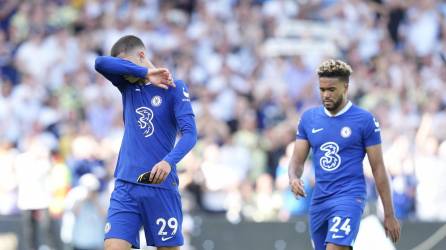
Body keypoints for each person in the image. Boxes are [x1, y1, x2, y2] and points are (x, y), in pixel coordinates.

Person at [94, 35, 197, 250]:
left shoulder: (175, 88)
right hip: (126, 184)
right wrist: (144, 72)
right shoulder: (127, 85)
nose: (124, 71)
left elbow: (190, 135)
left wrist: (169, 162)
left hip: (160, 185)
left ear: (141, 55)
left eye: (127, 64)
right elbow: (100, 63)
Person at [288, 59, 400, 250]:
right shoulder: (309, 119)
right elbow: (296, 160)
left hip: (349, 197)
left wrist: (389, 214)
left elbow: (379, 168)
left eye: (331, 89)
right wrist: (293, 178)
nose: (326, 95)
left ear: (345, 87)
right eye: (322, 89)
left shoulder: (364, 120)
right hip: (319, 201)